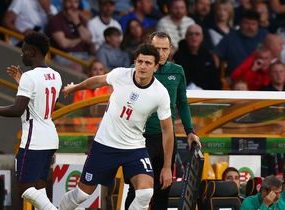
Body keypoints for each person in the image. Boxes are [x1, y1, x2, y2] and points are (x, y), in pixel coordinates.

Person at [59, 43, 174, 210]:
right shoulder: (121, 74)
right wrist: (75, 87)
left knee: (146, 193)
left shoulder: (161, 93)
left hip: (134, 147)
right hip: (104, 145)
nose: (142, 66)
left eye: (148, 63)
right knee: (83, 194)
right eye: (140, 61)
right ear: (135, 62)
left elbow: (167, 130)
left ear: (156, 67)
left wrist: (167, 166)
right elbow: (97, 81)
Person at [0, 31, 62, 210]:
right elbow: (38, 100)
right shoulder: (56, 75)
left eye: (23, 51)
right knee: (40, 188)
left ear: (32, 51)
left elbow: (17, 110)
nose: (21, 54)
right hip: (50, 138)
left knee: (24, 188)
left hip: (34, 140)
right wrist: (21, 80)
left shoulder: (30, 78)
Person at [125, 31, 201, 210]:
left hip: (165, 138)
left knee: (163, 187)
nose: (160, 53)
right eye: (156, 48)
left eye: (164, 49)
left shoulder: (177, 71)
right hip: (138, 138)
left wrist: (190, 131)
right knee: (136, 188)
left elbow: (182, 103)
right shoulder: (135, 69)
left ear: (170, 49)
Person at [173, 24, 221, 90]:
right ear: (186, 37)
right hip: (188, 92)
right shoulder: (178, 55)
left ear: (202, 38)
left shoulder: (207, 54)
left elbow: (214, 78)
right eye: (190, 34)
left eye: (197, 34)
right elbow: (180, 78)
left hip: (208, 93)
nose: (194, 37)